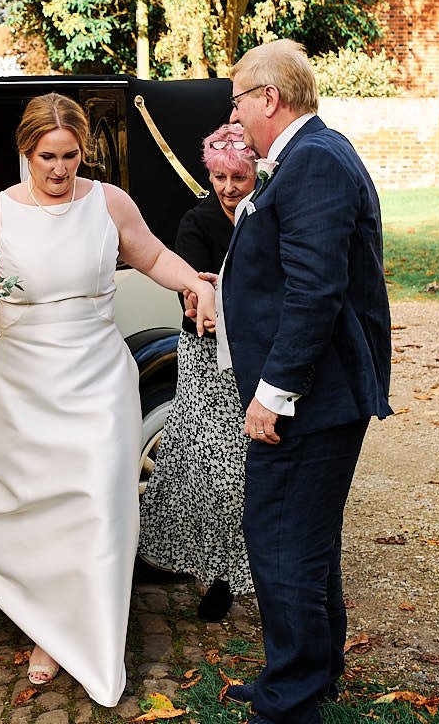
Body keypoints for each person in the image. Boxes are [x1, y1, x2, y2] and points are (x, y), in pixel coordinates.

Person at [0, 93, 217, 706]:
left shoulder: (109, 203)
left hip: (98, 379)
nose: (59, 170)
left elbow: (153, 254)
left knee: (100, 504)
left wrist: (191, 280)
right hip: (24, 381)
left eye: (71, 156)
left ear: (85, 151)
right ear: (25, 151)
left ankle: (97, 640)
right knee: (41, 510)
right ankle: (48, 630)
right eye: (47, 157)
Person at [218, 39, 393, 724]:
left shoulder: (314, 160)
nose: (233, 118)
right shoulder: (308, 155)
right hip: (318, 396)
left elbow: (317, 290)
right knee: (308, 544)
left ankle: (290, 702)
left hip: (310, 399)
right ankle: (308, 675)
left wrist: (274, 391)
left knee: (282, 542)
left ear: (268, 98)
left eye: (237, 101)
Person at [138, 122, 257, 622]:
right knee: (215, 474)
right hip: (209, 361)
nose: (228, 188)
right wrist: (203, 292)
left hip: (257, 357)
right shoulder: (197, 222)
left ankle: (247, 573)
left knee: (253, 473)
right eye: (219, 177)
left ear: (256, 172)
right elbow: (191, 291)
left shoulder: (269, 214)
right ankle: (219, 570)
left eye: (238, 177)